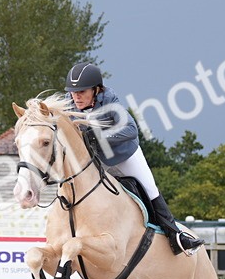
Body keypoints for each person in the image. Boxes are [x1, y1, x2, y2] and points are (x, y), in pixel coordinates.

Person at [63, 62, 203, 255]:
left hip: (124, 155)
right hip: (99, 160)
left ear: (96, 90)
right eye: (73, 92)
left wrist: (100, 136)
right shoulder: (68, 104)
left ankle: (176, 237)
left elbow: (131, 130)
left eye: (82, 91)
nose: (76, 96)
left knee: (150, 188)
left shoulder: (110, 102)